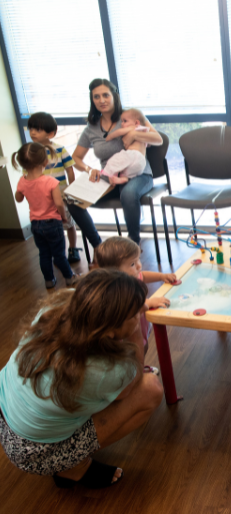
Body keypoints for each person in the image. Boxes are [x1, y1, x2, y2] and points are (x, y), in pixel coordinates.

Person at [0, 269, 163, 487]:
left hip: (6, 413)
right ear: (108, 330)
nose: (139, 313)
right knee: (150, 390)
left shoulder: (59, 305)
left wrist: (133, 311)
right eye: (133, 315)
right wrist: (136, 329)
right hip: (33, 453)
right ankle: (73, 468)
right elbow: (129, 386)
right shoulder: (106, 371)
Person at [68, 78, 163, 246]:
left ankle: (132, 244)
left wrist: (135, 134)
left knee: (128, 194)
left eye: (105, 95)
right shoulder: (91, 128)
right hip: (108, 176)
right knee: (73, 201)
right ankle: (99, 246)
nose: (101, 100)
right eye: (96, 97)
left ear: (114, 96)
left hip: (138, 175)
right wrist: (89, 170)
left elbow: (158, 139)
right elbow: (75, 158)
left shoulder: (129, 117)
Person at [94, 236, 177, 374]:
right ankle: (135, 373)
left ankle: (140, 368)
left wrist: (161, 277)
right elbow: (132, 307)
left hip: (140, 325)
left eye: (137, 259)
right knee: (133, 351)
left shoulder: (133, 275)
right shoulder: (118, 289)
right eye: (132, 264)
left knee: (143, 346)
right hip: (127, 333)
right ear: (114, 271)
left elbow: (143, 275)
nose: (139, 265)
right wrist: (150, 302)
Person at [12, 142, 78, 289]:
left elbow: (18, 198)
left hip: (35, 224)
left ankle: (49, 280)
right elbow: (59, 204)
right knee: (59, 254)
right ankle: (69, 277)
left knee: (44, 254)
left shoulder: (23, 181)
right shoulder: (51, 182)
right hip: (52, 223)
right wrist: (64, 217)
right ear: (45, 161)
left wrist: (20, 188)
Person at [27, 112, 82, 263]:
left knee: (69, 223)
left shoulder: (60, 149)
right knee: (51, 227)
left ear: (50, 133)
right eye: (31, 128)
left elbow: (70, 169)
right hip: (42, 198)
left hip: (62, 194)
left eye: (37, 130)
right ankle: (58, 253)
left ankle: (72, 248)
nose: (32, 132)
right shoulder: (30, 152)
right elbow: (28, 174)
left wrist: (71, 188)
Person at [101, 108, 151, 185]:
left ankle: (109, 174)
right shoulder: (145, 131)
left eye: (125, 121)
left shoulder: (134, 127)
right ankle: (124, 179)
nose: (122, 124)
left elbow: (119, 132)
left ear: (136, 122)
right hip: (141, 163)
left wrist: (110, 136)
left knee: (114, 160)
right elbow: (148, 144)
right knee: (127, 173)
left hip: (133, 155)